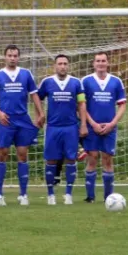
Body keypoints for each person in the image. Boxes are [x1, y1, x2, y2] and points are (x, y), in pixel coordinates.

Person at [0, 45, 44, 206]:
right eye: (10, 55)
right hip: (6, 120)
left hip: (23, 119)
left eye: (15, 55)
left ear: (19, 57)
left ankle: (23, 194)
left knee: (22, 154)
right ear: (5, 57)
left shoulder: (26, 74)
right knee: (2, 153)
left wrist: (40, 112)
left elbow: (34, 94)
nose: (12, 58)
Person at [37, 54, 88, 205]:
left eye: (65, 63)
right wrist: (40, 115)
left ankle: (68, 194)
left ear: (68, 66)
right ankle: (50, 194)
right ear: (55, 66)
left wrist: (83, 124)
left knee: (71, 159)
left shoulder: (76, 83)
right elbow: (37, 98)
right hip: (53, 127)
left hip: (71, 127)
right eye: (60, 63)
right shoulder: (47, 82)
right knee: (51, 160)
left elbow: (82, 104)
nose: (63, 66)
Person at [81, 51, 127, 203]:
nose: (100, 63)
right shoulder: (86, 81)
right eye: (98, 61)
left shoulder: (116, 81)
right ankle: (90, 197)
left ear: (107, 63)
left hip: (109, 127)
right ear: (93, 63)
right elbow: (81, 106)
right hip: (91, 127)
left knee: (107, 160)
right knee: (92, 158)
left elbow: (122, 106)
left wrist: (112, 124)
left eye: (103, 60)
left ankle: (109, 197)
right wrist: (92, 123)